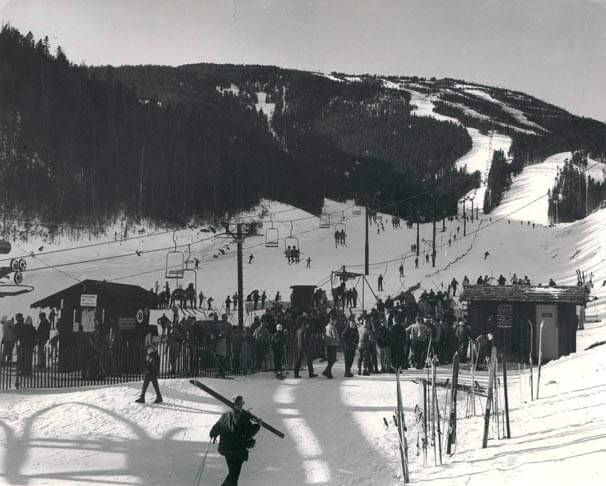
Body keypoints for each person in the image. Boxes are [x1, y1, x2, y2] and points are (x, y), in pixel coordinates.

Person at [210, 395, 261, 486]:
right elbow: (249, 432)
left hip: (226, 450)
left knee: (233, 474)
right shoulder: (243, 417)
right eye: (242, 403)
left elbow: (216, 428)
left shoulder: (225, 416)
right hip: (238, 451)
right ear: (240, 405)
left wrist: (213, 435)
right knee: (234, 475)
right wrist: (258, 425)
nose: (243, 405)